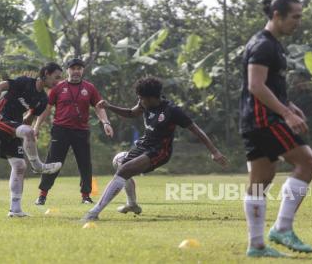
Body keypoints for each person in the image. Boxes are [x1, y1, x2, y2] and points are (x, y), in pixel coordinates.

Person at [82, 76, 228, 221]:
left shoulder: (172, 111)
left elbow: (196, 130)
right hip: (143, 146)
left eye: (141, 98)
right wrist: (109, 106)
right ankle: (132, 204)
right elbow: (131, 113)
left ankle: (94, 213)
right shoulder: (144, 103)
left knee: (123, 170)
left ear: (152, 98)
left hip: (159, 151)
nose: (140, 101)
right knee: (119, 161)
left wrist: (215, 152)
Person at [239, 0, 312, 258]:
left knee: (261, 179)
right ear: (277, 15)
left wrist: (289, 104)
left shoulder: (272, 45)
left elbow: (268, 85)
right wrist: (286, 114)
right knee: (307, 163)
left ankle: (257, 245)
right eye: (295, 16)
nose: (298, 22)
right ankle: (282, 228)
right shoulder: (263, 45)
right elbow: (255, 85)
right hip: (264, 120)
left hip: (254, 119)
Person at [0, 62, 63, 217]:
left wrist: (26, 135)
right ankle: (39, 166)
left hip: (13, 127)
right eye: (56, 77)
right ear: (46, 73)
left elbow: (28, 119)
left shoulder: (42, 100)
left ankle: (15, 210)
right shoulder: (24, 82)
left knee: (20, 165)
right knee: (28, 132)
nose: (58, 81)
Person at [33, 58, 114, 205]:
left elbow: (99, 106)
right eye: (73, 68)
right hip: (60, 130)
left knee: (85, 164)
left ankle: (86, 196)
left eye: (79, 68)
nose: (76, 71)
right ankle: (42, 195)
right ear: (68, 70)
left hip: (81, 131)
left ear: (83, 70)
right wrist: (36, 127)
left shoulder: (90, 88)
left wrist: (106, 122)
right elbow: (46, 109)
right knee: (53, 162)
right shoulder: (58, 87)